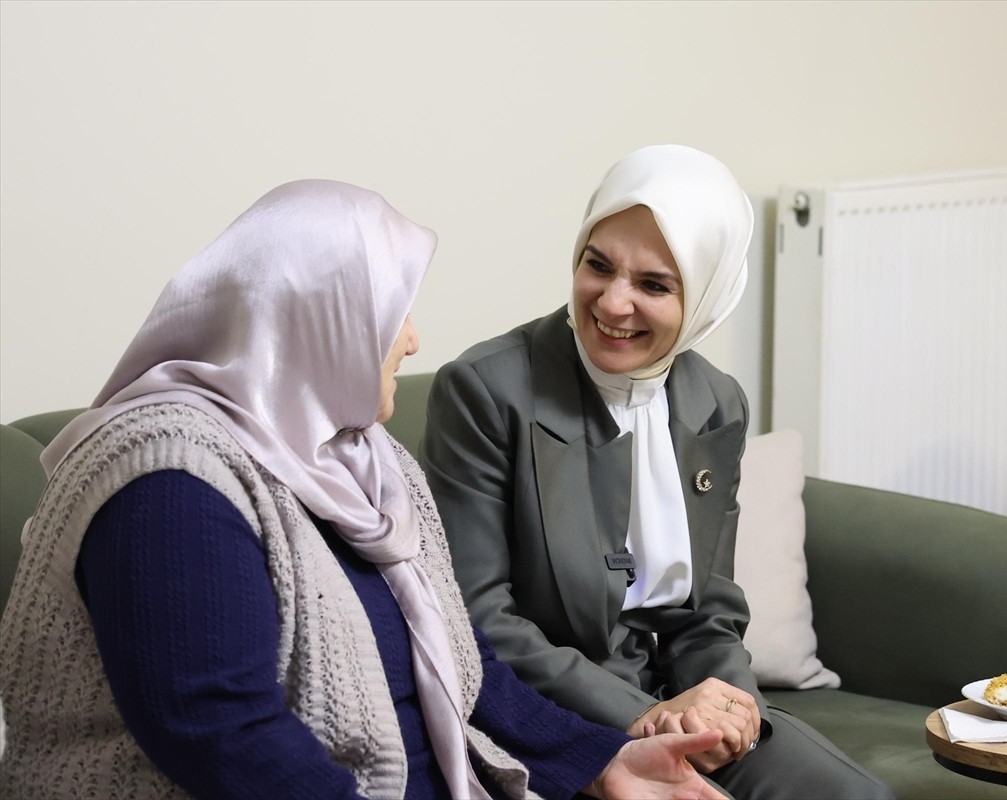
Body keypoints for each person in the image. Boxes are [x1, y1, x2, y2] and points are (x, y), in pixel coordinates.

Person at [0, 179, 729, 800]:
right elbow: (225, 740)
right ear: (313, 317)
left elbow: (463, 658)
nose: (412, 339)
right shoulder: (166, 481)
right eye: (391, 313)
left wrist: (601, 761)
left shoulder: (364, 457)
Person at [420, 145, 894, 799]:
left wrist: (729, 706)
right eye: (598, 265)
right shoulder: (486, 390)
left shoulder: (715, 404)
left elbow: (710, 609)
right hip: (553, 719)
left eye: (653, 285)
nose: (613, 304)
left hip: (683, 704)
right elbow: (478, 617)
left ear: (704, 295)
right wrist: (638, 716)